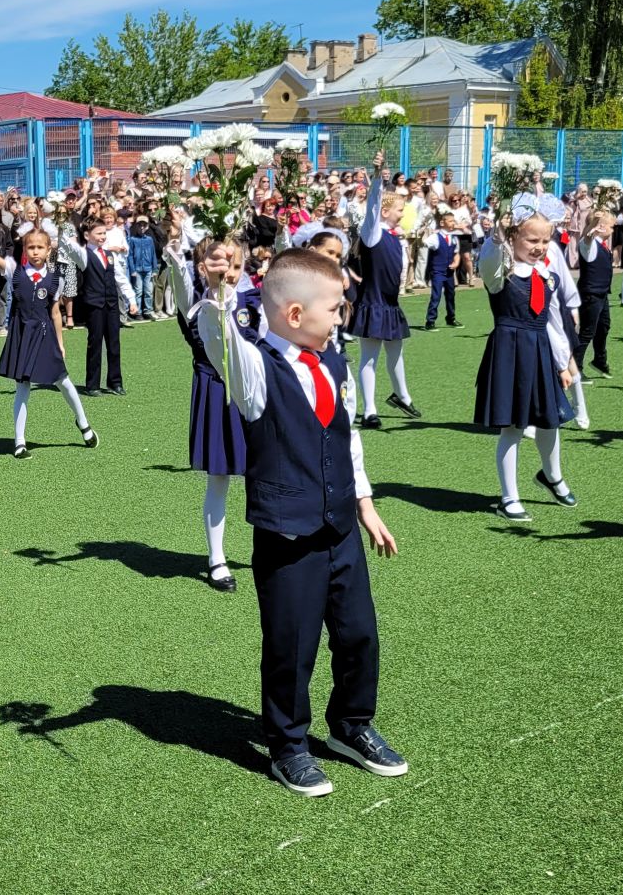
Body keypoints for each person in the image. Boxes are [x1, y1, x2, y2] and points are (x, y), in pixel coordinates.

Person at [196, 249, 403, 798]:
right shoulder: (256, 369)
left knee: (359, 632)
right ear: (293, 314)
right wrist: (217, 293)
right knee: (292, 643)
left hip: (340, 525)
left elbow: (347, 437)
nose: (341, 316)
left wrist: (365, 504)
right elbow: (219, 341)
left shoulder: (333, 359)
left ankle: (351, 725)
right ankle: (288, 746)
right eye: (335, 307)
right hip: (288, 534)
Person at [475, 214, 577, 523]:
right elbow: (489, 261)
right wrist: (497, 234)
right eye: (532, 240)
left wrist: (563, 364)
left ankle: (552, 476)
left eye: (545, 241)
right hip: (509, 353)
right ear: (514, 238)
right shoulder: (501, 272)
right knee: (513, 427)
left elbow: (553, 325)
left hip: (540, 353)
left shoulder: (547, 275)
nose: (540, 247)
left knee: (550, 421)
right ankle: (509, 498)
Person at [0, 224, 96, 461]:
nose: (35, 252)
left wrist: (61, 343)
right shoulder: (15, 270)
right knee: (22, 387)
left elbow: (55, 313)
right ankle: (19, 441)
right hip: (22, 336)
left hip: (46, 337)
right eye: (31, 247)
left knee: (63, 382)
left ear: (48, 251)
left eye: (40, 247)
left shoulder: (55, 279)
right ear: (24, 249)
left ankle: (84, 424)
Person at [167, 234, 246, 591]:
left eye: (236, 265)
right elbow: (182, 281)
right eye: (220, 264)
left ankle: (277, 545)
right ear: (204, 267)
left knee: (268, 473)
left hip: (254, 391)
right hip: (216, 390)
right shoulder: (195, 304)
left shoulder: (252, 299)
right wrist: (174, 252)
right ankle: (217, 559)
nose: (231, 272)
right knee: (220, 477)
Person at [353, 153, 418, 427]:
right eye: (399, 210)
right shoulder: (373, 232)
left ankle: (402, 395)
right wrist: (379, 176)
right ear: (385, 211)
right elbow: (372, 206)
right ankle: (369, 410)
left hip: (390, 305)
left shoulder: (394, 237)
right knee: (370, 358)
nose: (403, 215)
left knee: (395, 353)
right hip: (372, 303)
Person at [73, 215, 126, 395]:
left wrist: (130, 299)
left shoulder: (109, 254)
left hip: (111, 304)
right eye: (99, 233)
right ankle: (92, 385)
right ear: (87, 235)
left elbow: (117, 277)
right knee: (95, 344)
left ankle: (115, 382)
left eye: (104, 233)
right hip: (94, 305)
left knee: (114, 344)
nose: (103, 236)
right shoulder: (83, 254)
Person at [572, 208, 616, 378]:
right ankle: (576, 367)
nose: (613, 230)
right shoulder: (589, 244)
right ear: (601, 226)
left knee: (603, 326)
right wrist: (592, 226)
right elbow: (586, 239)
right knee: (587, 331)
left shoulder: (602, 246)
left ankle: (599, 360)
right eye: (611, 226)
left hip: (602, 293)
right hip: (591, 293)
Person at [420, 213, 459, 330]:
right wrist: (423, 233)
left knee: (451, 295)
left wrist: (456, 263)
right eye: (450, 221)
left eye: (454, 221)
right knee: (436, 296)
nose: (453, 223)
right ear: (442, 223)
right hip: (437, 271)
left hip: (449, 273)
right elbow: (424, 243)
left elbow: (456, 254)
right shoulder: (435, 237)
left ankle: (451, 318)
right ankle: (430, 321)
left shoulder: (454, 238)